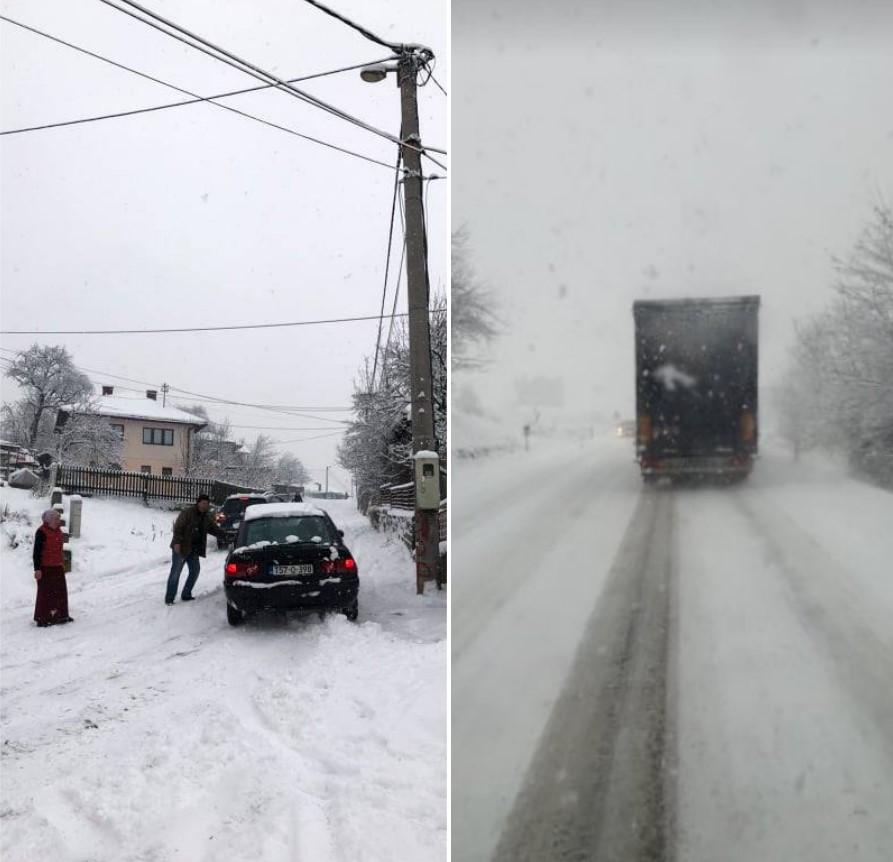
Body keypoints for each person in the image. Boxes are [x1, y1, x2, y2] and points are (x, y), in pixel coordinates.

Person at [165, 494, 226, 605]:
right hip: (182, 547)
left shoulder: (206, 517)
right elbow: (178, 527)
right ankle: (169, 599)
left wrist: (226, 536)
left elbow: (214, 529)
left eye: (207, 504)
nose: (205, 506)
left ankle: (186, 594)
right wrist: (177, 542)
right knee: (175, 573)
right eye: (203, 503)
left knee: (195, 571)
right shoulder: (187, 513)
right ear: (198, 503)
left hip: (193, 550)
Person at [33, 509, 73, 627]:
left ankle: (61, 616)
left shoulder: (58, 531)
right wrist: (37, 569)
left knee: (60, 593)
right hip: (45, 568)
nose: (58, 521)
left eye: (58, 518)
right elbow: (37, 552)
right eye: (56, 519)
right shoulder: (41, 532)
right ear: (49, 520)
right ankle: (43, 618)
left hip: (57, 566)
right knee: (46, 594)